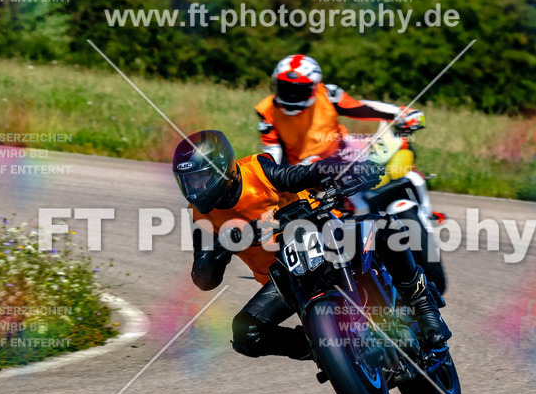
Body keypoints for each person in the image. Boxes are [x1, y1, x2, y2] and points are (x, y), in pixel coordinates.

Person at [172, 130, 450, 360]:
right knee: (247, 332)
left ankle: (423, 305)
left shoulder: (257, 170)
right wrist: (219, 251)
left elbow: (300, 175)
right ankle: (320, 349)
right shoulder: (200, 215)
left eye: (201, 178)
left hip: (324, 236)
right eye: (188, 181)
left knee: (386, 227)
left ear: (223, 168)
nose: (195, 188)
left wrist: (347, 170)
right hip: (284, 278)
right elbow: (204, 278)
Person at [256, 55, 425, 165]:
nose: (291, 95)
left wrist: (401, 113)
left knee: (401, 145)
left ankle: (423, 210)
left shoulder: (328, 95)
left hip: (343, 150)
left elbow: (361, 108)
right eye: (285, 87)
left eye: (298, 89)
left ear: (314, 87)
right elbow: (273, 153)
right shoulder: (267, 111)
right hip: (303, 169)